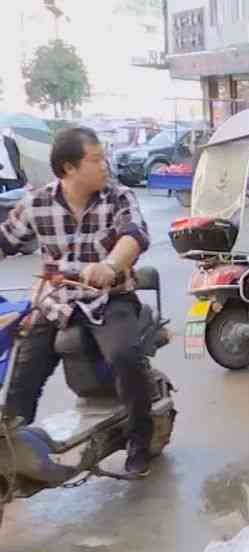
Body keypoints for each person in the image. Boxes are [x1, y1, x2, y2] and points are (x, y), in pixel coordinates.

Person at [0, 128, 156, 477]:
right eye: (96, 159)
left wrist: (111, 265)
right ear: (69, 168)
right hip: (57, 301)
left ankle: (139, 443)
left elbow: (135, 234)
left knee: (125, 357)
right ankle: (8, 456)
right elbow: (5, 241)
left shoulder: (118, 195)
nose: (105, 166)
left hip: (109, 298)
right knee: (23, 368)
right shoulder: (36, 202)